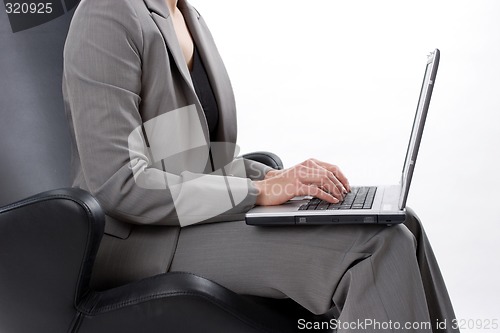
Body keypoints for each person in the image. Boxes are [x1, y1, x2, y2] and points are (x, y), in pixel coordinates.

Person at [62, 0, 459, 331]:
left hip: (189, 221)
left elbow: (192, 161)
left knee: (400, 222)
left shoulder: (185, 14)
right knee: (375, 247)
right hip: (141, 241)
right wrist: (259, 192)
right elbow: (120, 184)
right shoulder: (108, 13)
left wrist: (275, 178)